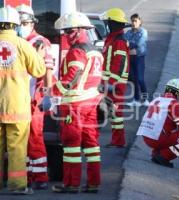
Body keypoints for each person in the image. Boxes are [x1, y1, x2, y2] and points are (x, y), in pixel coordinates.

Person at [51, 12, 103, 193]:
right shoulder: (94, 50)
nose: (66, 35)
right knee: (91, 144)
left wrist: (55, 90)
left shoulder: (77, 51)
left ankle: (71, 184)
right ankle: (93, 182)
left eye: (69, 31)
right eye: (65, 32)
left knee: (71, 145)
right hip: (91, 103)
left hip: (75, 105)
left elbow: (73, 75)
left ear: (80, 30)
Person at [0, 6, 46, 194]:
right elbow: (39, 71)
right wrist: (39, 56)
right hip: (17, 108)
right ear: (15, 25)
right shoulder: (23, 45)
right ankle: (17, 186)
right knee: (17, 149)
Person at [16, 4, 55, 190]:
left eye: (24, 23)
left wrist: (48, 95)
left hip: (36, 96)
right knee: (21, 138)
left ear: (32, 23)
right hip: (20, 96)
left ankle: (41, 177)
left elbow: (48, 71)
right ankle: (28, 175)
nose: (20, 26)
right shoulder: (16, 41)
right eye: (18, 23)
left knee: (35, 136)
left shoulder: (40, 42)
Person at [137, 79, 179, 168]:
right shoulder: (174, 103)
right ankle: (164, 156)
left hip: (146, 136)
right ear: (178, 93)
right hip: (157, 139)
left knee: (166, 129)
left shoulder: (156, 99)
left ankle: (156, 153)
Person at [101, 8, 130, 148]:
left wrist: (111, 82)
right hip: (109, 83)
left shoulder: (119, 41)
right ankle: (117, 141)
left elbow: (119, 63)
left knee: (116, 114)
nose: (107, 25)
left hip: (115, 85)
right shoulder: (112, 39)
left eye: (108, 22)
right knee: (112, 113)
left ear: (113, 23)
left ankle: (119, 141)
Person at [125, 13, 149, 106]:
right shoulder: (128, 32)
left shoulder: (143, 32)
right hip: (130, 57)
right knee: (134, 79)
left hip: (139, 57)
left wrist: (130, 45)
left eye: (135, 21)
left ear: (140, 22)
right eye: (132, 21)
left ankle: (145, 99)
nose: (134, 23)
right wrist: (131, 47)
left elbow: (139, 43)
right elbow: (124, 41)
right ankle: (136, 100)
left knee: (140, 79)